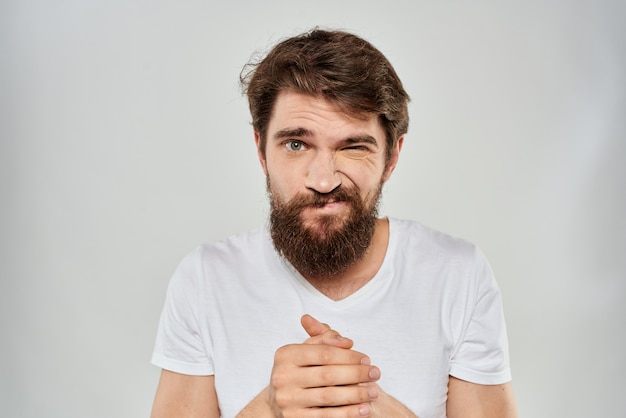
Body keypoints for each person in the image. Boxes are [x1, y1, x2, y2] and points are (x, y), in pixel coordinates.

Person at [150, 28, 518, 418]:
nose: (323, 181)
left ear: (392, 158)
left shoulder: (458, 274)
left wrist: (365, 402)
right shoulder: (205, 279)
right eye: (296, 144)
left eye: (353, 146)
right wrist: (270, 408)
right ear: (261, 151)